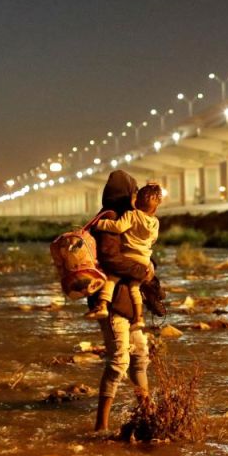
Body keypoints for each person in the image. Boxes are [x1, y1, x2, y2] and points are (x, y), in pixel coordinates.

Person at [90, 170, 157, 432]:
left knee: (140, 357)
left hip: (126, 300)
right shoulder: (110, 218)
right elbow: (109, 259)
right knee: (119, 361)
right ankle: (101, 426)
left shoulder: (129, 218)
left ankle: (148, 413)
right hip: (114, 302)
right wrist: (144, 271)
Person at [88, 183, 162, 329]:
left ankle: (102, 305)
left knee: (111, 279)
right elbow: (153, 239)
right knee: (135, 288)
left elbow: (118, 227)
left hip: (128, 256)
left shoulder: (130, 215)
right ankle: (139, 318)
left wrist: (99, 224)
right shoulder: (155, 222)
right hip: (144, 259)